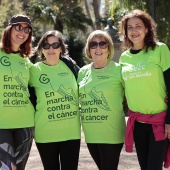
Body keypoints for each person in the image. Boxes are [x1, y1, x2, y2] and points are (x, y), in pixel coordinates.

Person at [119, 9, 170, 170]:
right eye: (130, 27)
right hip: (137, 123)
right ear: (125, 32)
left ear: (147, 28)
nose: (134, 31)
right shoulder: (124, 58)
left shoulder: (160, 50)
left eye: (138, 26)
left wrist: (169, 121)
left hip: (159, 122)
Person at [29, 30, 81, 170]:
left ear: (62, 48)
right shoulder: (33, 71)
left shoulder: (71, 66)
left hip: (71, 132)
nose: (51, 49)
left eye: (55, 45)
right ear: (41, 49)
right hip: (45, 133)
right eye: (46, 46)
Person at [77, 30, 125, 170]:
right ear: (89, 48)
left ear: (109, 48)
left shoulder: (119, 70)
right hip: (91, 132)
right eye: (94, 44)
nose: (98, 48)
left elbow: (134, 93)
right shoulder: (82, 72)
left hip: (111, 132)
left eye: (102, 44)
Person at [0, 14, 35, 170]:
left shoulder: (27, 61)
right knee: (7, 167)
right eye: (18, 27)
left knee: (19, 168)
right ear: (9, 29)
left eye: (27, 29)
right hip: (2, 124)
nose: (23, 32)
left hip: (25, 123)